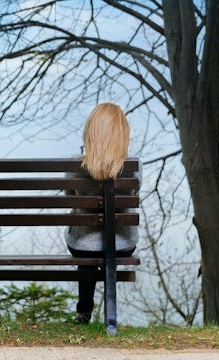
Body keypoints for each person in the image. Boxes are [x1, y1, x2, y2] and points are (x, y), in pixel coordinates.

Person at [64, 102, 139, 324]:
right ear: (122, 134)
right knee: (103, 245)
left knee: (85, 245)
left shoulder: (74, 167)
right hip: (121, 245)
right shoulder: (133, 167)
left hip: (82, 246)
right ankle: (111, 314)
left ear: (90, 132)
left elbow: (70, 198)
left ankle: (83, 311)